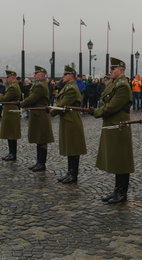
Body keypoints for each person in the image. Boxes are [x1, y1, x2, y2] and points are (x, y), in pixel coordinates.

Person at [92, 58, 133, 204]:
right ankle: (117, 190)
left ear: (121, 70)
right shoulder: (113, 83)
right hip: (112, 122)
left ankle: (122, 192)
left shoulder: (122, 86)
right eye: (110, 69)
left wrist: (97, 112)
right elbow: (105, 100)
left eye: (113, 69)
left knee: (122, 159)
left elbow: (112, 106)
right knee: (116, 158)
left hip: (119, 124)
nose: (110, 71)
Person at [49, 65, 87, 184]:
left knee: (73, 148)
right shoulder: (67, 86)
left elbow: (62, 104)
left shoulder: (71, 88)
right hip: (67, 120)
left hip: (72, 121)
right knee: (70, 148)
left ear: (71, 76)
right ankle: (70, 172)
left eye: (65, 74)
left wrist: (51, 111)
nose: (63, 76)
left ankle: (73, 174)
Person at [19, 66, 54, 172]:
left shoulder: (40, 85)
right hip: (37, 113)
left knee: (42, 139)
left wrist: (21, 104)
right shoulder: (39, 84)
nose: (34, 75)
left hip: (40, 114)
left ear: (42, 75)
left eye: (36, 73)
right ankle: (39, 162)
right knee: (39, 139)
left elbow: (32, 98)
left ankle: (41, 163)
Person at [0, 70, 21, 161]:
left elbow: (4, 99)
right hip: (9, 110)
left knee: (11, 134)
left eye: (8, 77)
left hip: (11, 111)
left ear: (12, 77)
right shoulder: (12, 86)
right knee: (9, 133)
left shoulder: (13, 87)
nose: (6, 79)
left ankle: (13, 154)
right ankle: (11, 153)